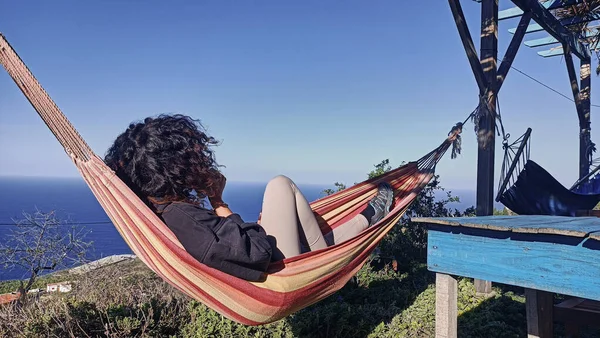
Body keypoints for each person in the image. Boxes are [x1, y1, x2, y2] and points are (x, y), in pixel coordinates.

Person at [104, 114, 395, 281]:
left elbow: (229, 243)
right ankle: (329, 259)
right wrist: (219, 201)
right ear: (177, 167)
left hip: (259, 260)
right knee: (280, 186)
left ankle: (364, 219)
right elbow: (255, 252)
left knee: (293, 211)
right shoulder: (186, 219)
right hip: (278, 275)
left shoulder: (165, 211)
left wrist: (242, 224)